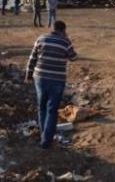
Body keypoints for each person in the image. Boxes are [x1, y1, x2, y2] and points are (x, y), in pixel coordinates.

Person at [25, 20, 78, 149]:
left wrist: (28, 74)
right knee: (52, 109)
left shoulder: (41, 38)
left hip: (40, 78)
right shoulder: (65, 42)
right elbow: (73, 57)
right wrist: (66, 41)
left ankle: (44, 136)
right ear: (63, 30)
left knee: (41, 107)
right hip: (57, 79)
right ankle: (46, 141)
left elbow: (32, 58)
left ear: (52, 28)